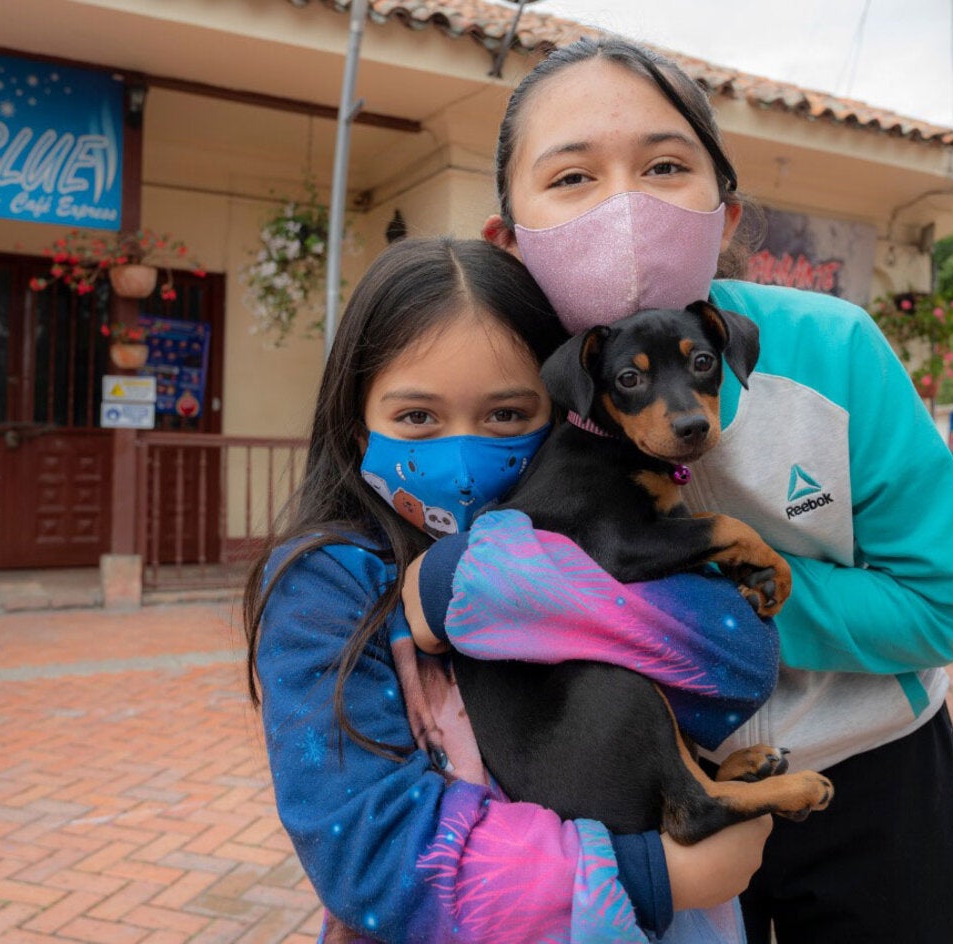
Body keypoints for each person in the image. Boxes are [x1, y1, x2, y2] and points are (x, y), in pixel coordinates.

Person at [406, 36, 953, 944]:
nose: (626, 205)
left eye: (666, 165)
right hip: (626, 807)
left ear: (726, 210)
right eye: (570, 179)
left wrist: (684, 615)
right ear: (508, 239)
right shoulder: (494, 394)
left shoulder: (837, 350)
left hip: (872, 778)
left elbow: (939, 607)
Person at [246, 236, 781, 944]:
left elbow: (740, 663)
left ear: (566, 407)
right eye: (416, 418)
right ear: (356, 428)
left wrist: (472, 583)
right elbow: (369, 856)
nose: (464, 456)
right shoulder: (327, 585)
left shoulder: (607, 513)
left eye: (505, 415)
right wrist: (655, 875)